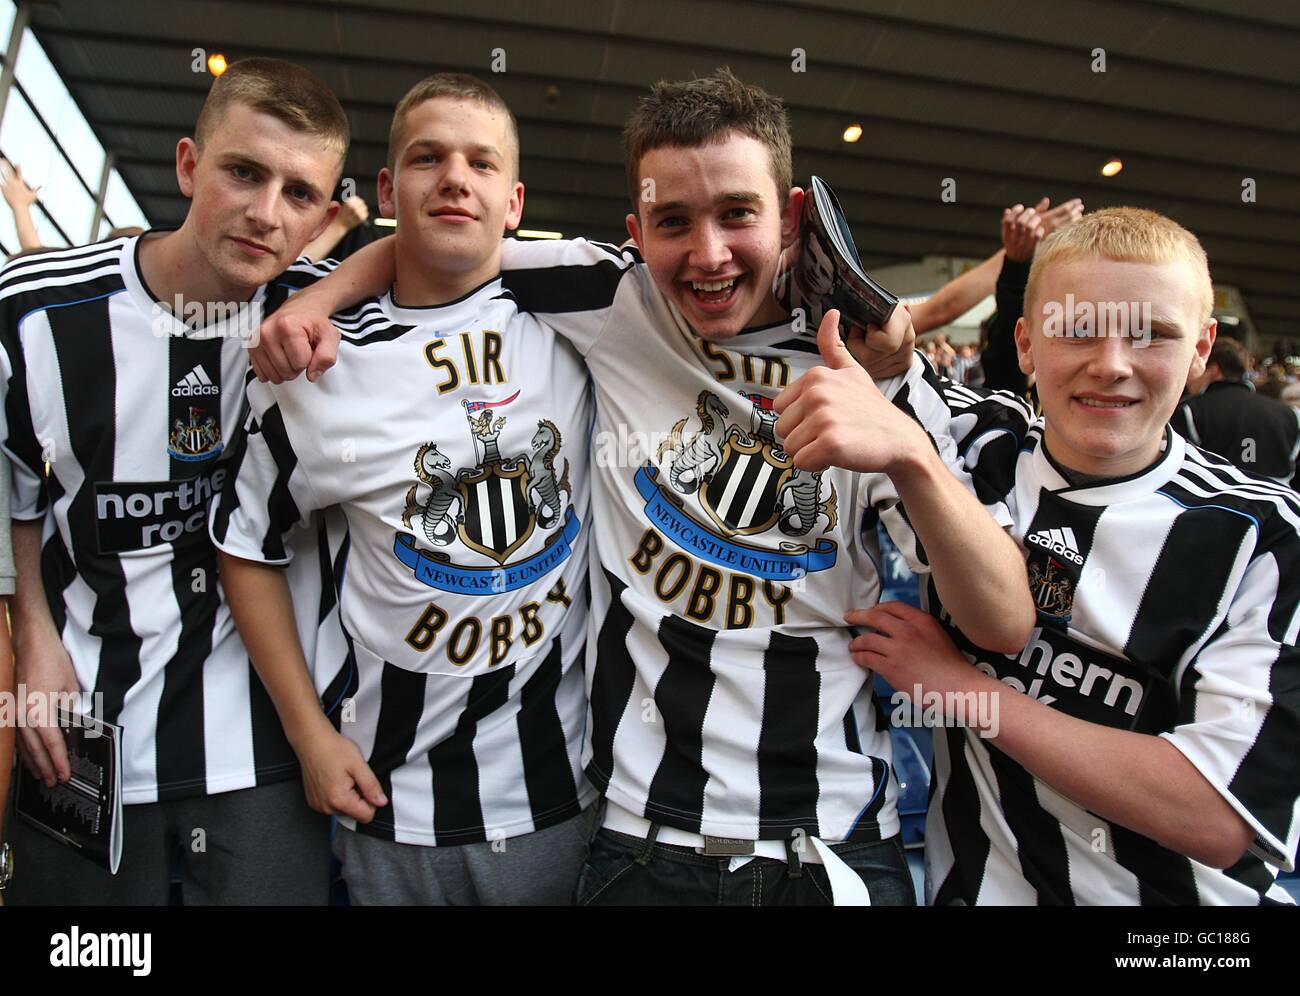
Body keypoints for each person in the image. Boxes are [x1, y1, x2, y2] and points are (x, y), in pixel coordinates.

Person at [255, 68, 1036, 906]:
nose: (706, 255)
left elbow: (1004, 620)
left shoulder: (872, 363)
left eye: (738, 213)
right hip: (640, 843)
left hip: (834, 843)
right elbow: (439, 242)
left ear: (793, 215)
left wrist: (907, 453)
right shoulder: (612, 295)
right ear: (636, 231)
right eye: (673, 222)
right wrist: (322, 300)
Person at [211, 72, 596, 906]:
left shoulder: (582, 319)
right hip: (393, 812)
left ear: (516, 200)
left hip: (563, 802)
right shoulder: (318, 367)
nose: (456, 177)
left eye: (481, 164)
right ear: (387, 190)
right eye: (428, 158)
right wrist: (309, 734)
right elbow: (245, 547)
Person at [843, 207, 1300, 904]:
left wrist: (962, 691)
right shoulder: (973, 446)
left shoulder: (1264, 536)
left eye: (1152, 335)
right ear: (1026, 344)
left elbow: (1214, 812)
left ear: (1202, 349)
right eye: (1077, 331)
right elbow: (885, 352)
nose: (1110, 365)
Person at [0, 57, 349, 905]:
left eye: (299, 194)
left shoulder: (332, 323)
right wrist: (33, 638)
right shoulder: (35, 316)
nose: (266, 212)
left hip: (264, 739)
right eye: (243, 172)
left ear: (327, 217)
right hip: (81, 720)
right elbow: (13, 481)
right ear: (190, 166)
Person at [1179, 336, 1300, 486]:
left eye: (1195, 367)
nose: (1189, 377)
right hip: (1276, 505)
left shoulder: (1191, 410)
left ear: (1213, 370)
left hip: (1213, 504)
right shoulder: (1290, 415)